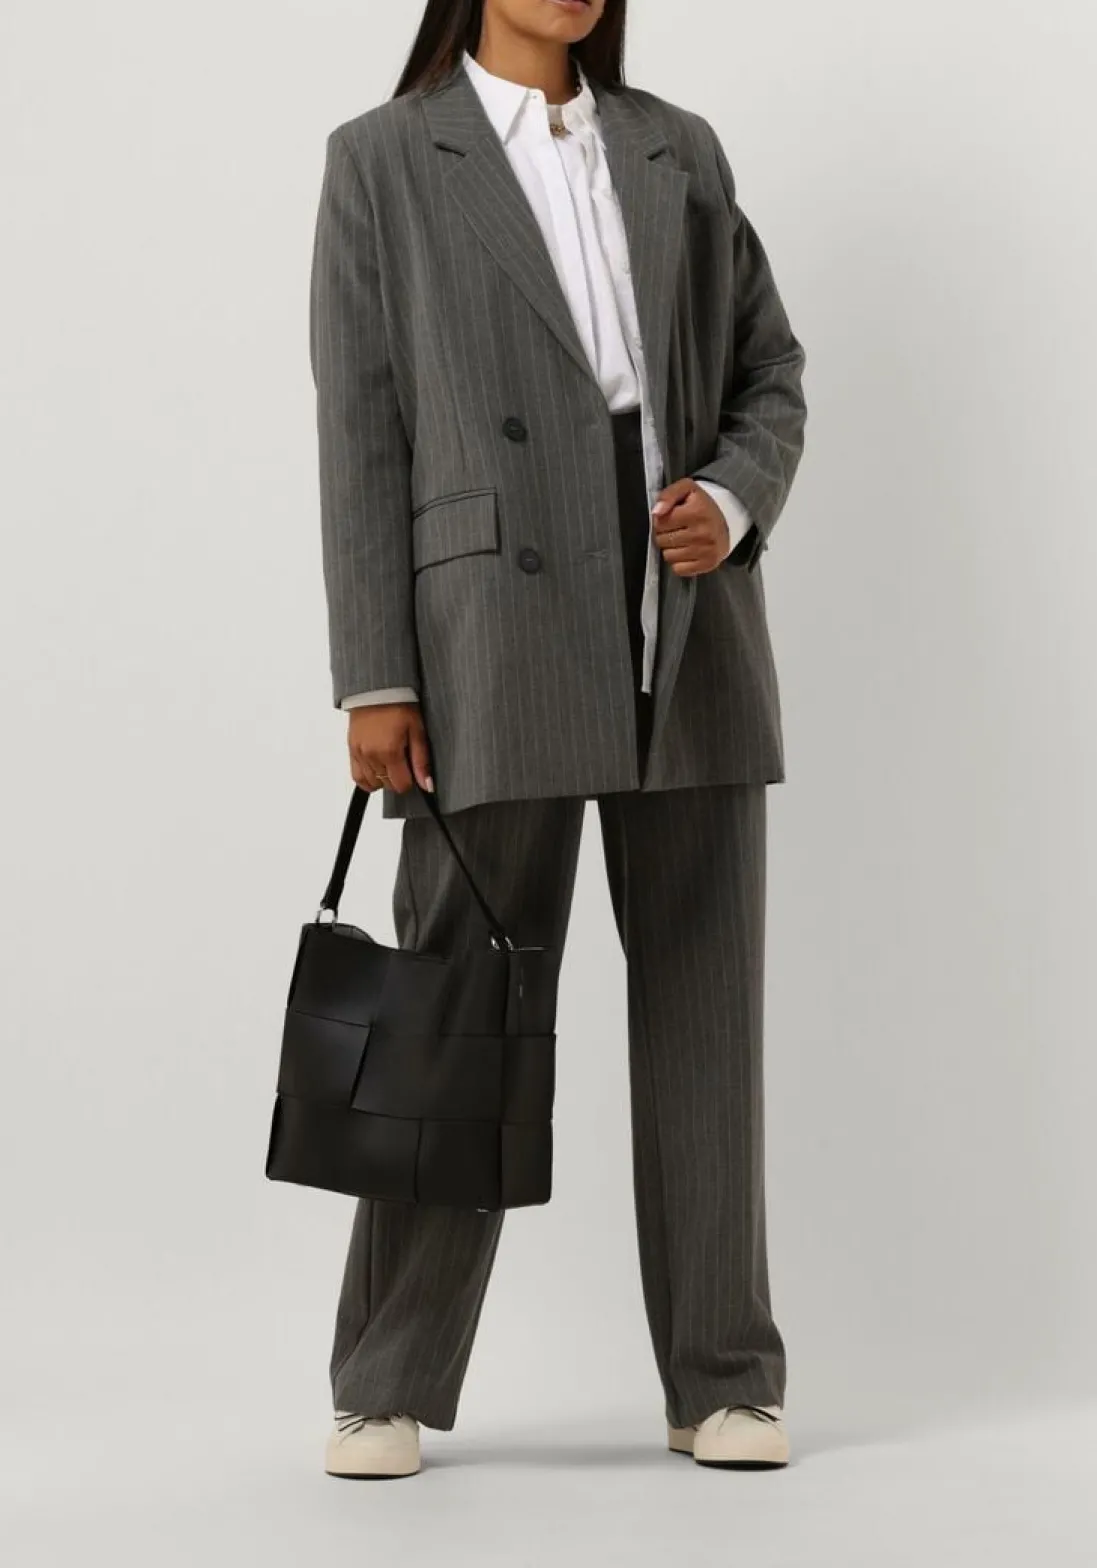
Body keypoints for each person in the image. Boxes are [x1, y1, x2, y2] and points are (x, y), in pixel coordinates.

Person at [309, 0, 806, 1479]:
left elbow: (771, 369)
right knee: (455, 1007)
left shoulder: (676, 149)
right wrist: (375, 676)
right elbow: (363, 431)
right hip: (492, 632)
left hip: (683, 620)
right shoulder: (383, 160)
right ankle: (385, 1379)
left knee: (707, 1017)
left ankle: (723, 1376)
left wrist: (733, 499)